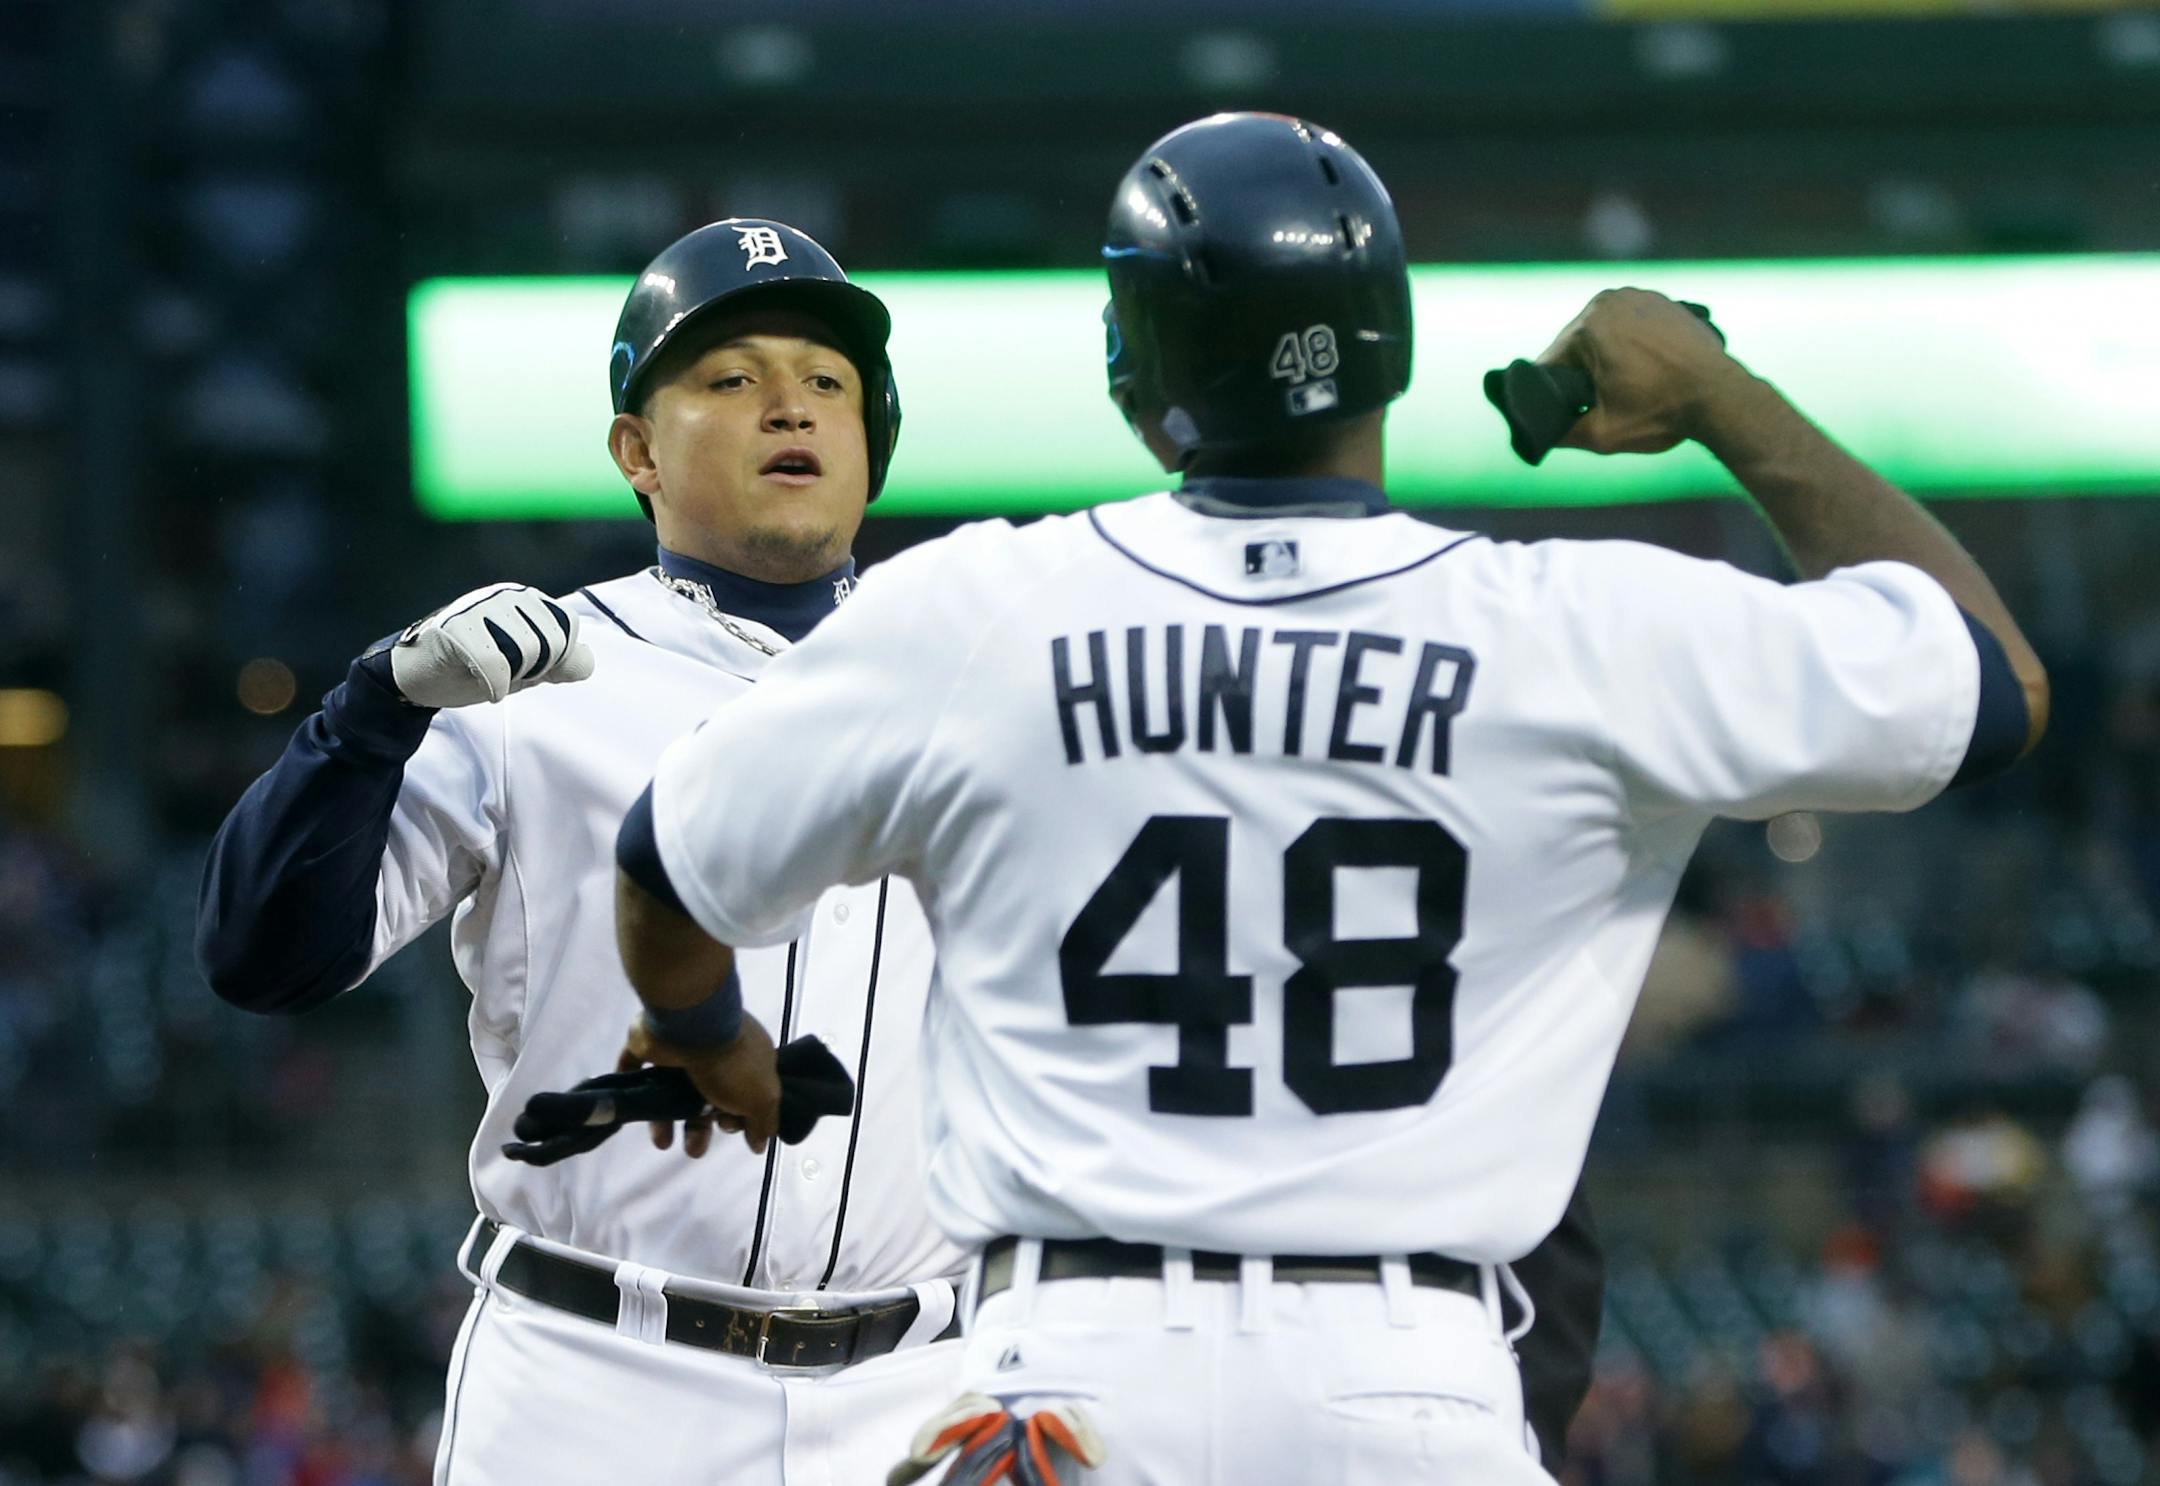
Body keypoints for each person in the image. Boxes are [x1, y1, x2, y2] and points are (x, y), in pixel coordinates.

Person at [602, 115, 2048, 1485]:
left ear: (1128, 366)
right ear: (1391, 357)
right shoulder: (1581, 627)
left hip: (1071, 1373)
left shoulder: (979, 607)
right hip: (1414, 1376)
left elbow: (665, 860)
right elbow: (1990, 680)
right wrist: (1718, 394)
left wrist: (702, 1031)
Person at [194, 220, 969, 1486]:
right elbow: (258, 954)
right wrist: (375, 710)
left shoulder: (981, 674)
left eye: (827, 382)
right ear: (635, 451)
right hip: (602, 1384)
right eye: (730, 377)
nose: (790, 404)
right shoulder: (527, 673)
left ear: (870, 447)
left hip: (922, 1389)